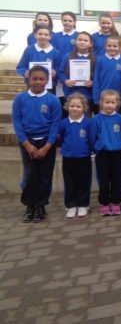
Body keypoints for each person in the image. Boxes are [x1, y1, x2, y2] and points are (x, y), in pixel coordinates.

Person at [12, 66, 61, 223]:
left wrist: (47, 146)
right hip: (28, 141)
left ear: (47, 80)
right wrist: (27, 144)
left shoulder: (53, 100)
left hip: (46, 142)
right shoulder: (20, 99)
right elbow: (17, 123)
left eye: (41, 79)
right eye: (34, 79)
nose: (38, 82)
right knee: (30, 175)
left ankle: (41, 206)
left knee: (45, 176)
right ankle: (29, 205)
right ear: (29, 79)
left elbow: (55, 124)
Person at [90, 89, 121, 216]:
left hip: (117, 153)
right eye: (107, 102)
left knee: (117, 178)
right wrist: (97, 147)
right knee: (103, 179)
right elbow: (92, 136)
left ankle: (116, 202)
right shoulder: (96, 119)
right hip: (102, 153)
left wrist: (120, 144)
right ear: (101, 103)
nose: (109, 105)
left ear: (117, 104)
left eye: (112, 102)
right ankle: (104, 203)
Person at [58, 92, 92, 219]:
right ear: (67, 106)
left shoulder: (88, 123)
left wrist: (89, 150)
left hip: (84, 156)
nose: (75, 109)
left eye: (78, 106)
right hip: (68, 157)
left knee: (84, 181)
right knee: (70, 181)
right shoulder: (63, 123)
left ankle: (83, 204)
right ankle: (71, 205)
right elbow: (60, 138)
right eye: (72, 106)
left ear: (84, 108)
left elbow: (91, 139)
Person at [16, 25, 62, 93]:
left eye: (46, 34)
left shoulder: (56, 53)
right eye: (40, 34)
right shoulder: (29, 50)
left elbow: (59, 69)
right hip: (32, 86)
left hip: (49, 88)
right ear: (35, 35)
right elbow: (21, 67)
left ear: (50, 36)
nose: (43, 36)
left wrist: (55, 72)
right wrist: (25, 72)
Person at [58, 31, 96, 115]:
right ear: (75, 41)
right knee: (72, 118)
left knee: (86, 118)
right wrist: (65, 81)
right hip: (70, 94)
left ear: (90, 44)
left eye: (85, 40)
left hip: (87, 95)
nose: (82, 42)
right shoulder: (67, 57)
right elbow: (60, 72)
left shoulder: (95, 59)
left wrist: (92, 82)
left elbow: (98, 76)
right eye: (80, 40)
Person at [92, 35, 121, 115]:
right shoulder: (100, 60)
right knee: (103, 117)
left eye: (115, 46)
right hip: (104, 95)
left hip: (118, 96)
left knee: (117, 118)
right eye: (109, 46)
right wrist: (96, 97)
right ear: (105, 46)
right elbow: (96, 79)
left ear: (120, 47)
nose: (112, 48)